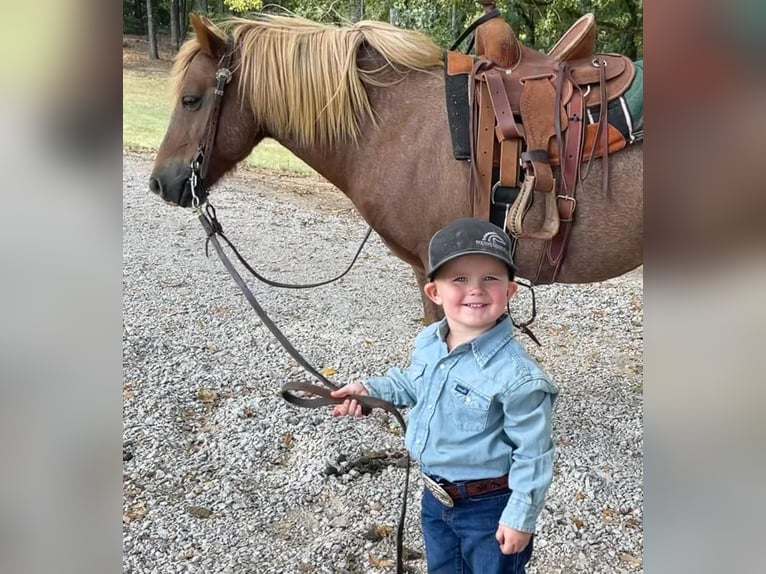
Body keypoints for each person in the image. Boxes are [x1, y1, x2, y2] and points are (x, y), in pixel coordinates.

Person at [330, 217, 558, 574]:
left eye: (490, 278)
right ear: (433, 291)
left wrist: (520, 516)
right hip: (435, 498)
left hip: (489, 508)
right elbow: (412, 384)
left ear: (510, 291)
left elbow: (534, 453)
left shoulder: (519, 377)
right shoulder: (429, 343)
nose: (476, 289)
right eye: (460, 279)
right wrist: (369, 391)